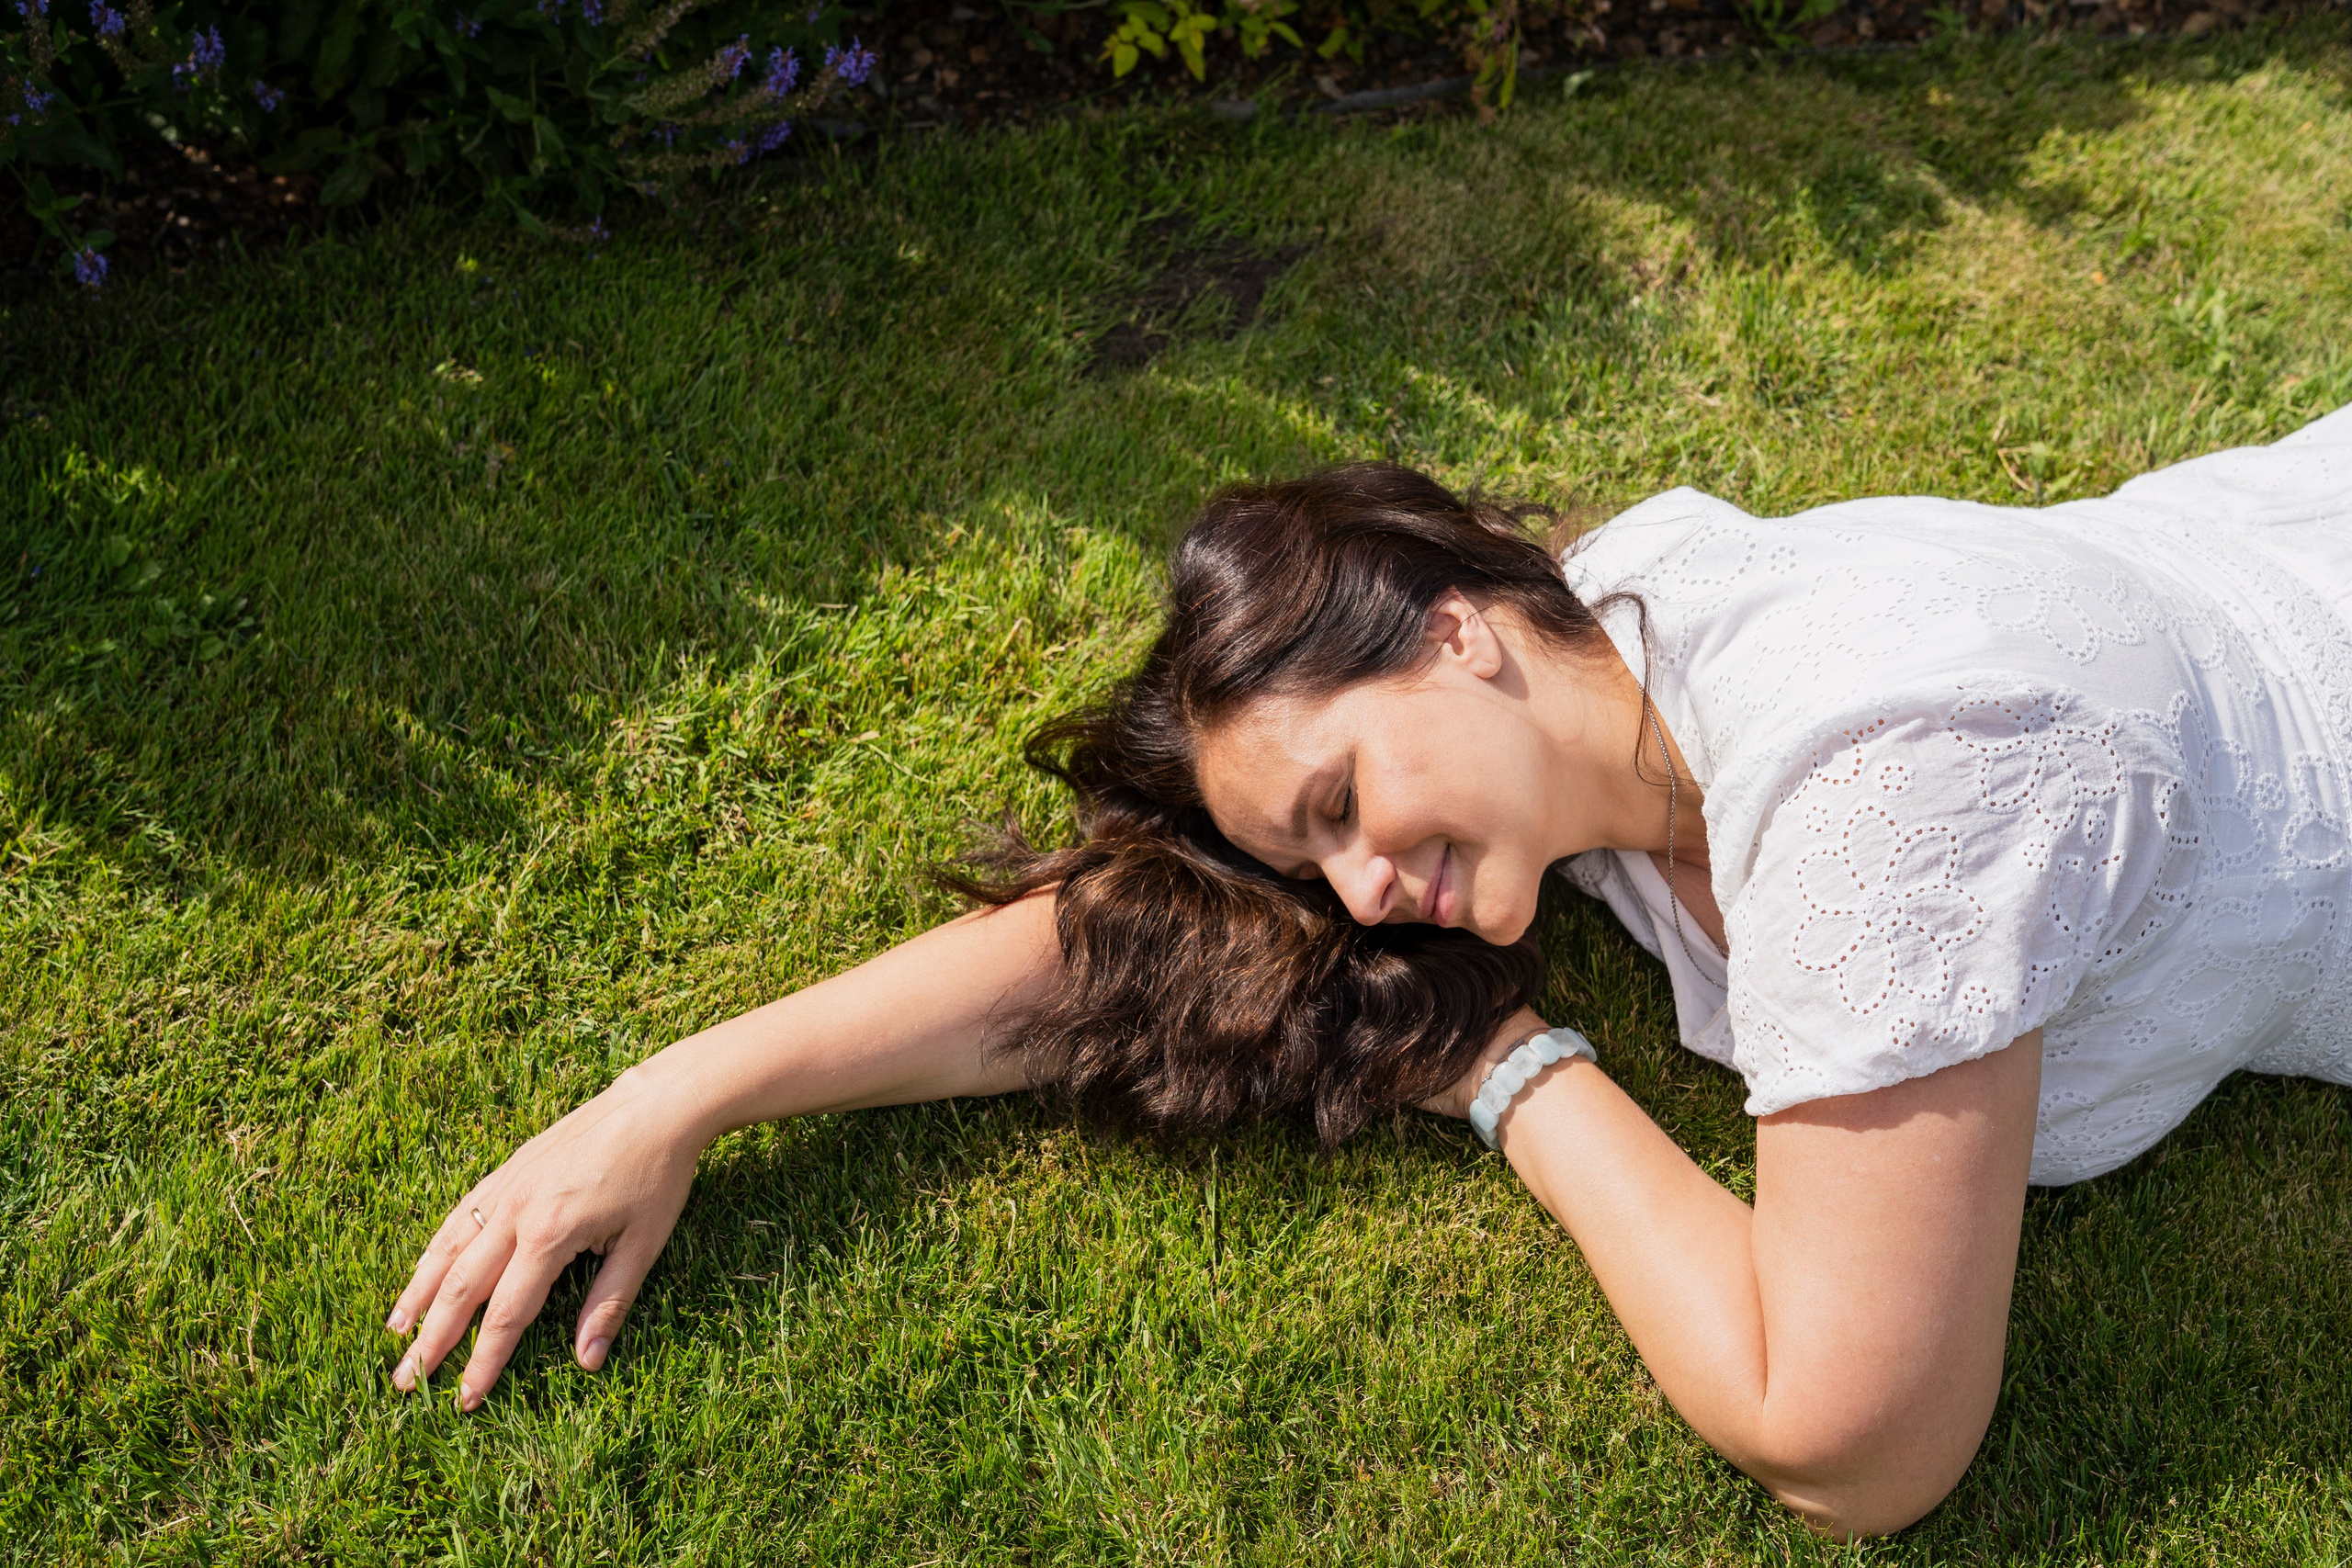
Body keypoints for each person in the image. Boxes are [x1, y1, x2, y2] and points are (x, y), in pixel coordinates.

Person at [383, 402, 2352, 1539]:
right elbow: (1126, 942)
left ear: (1453, 633)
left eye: (1340, 802)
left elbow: (1851, 1436)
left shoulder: (1890, 790)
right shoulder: (1608, 642)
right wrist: (674, 1095)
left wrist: (1516, 1075)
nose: (1361, 893)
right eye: (1310, 857)